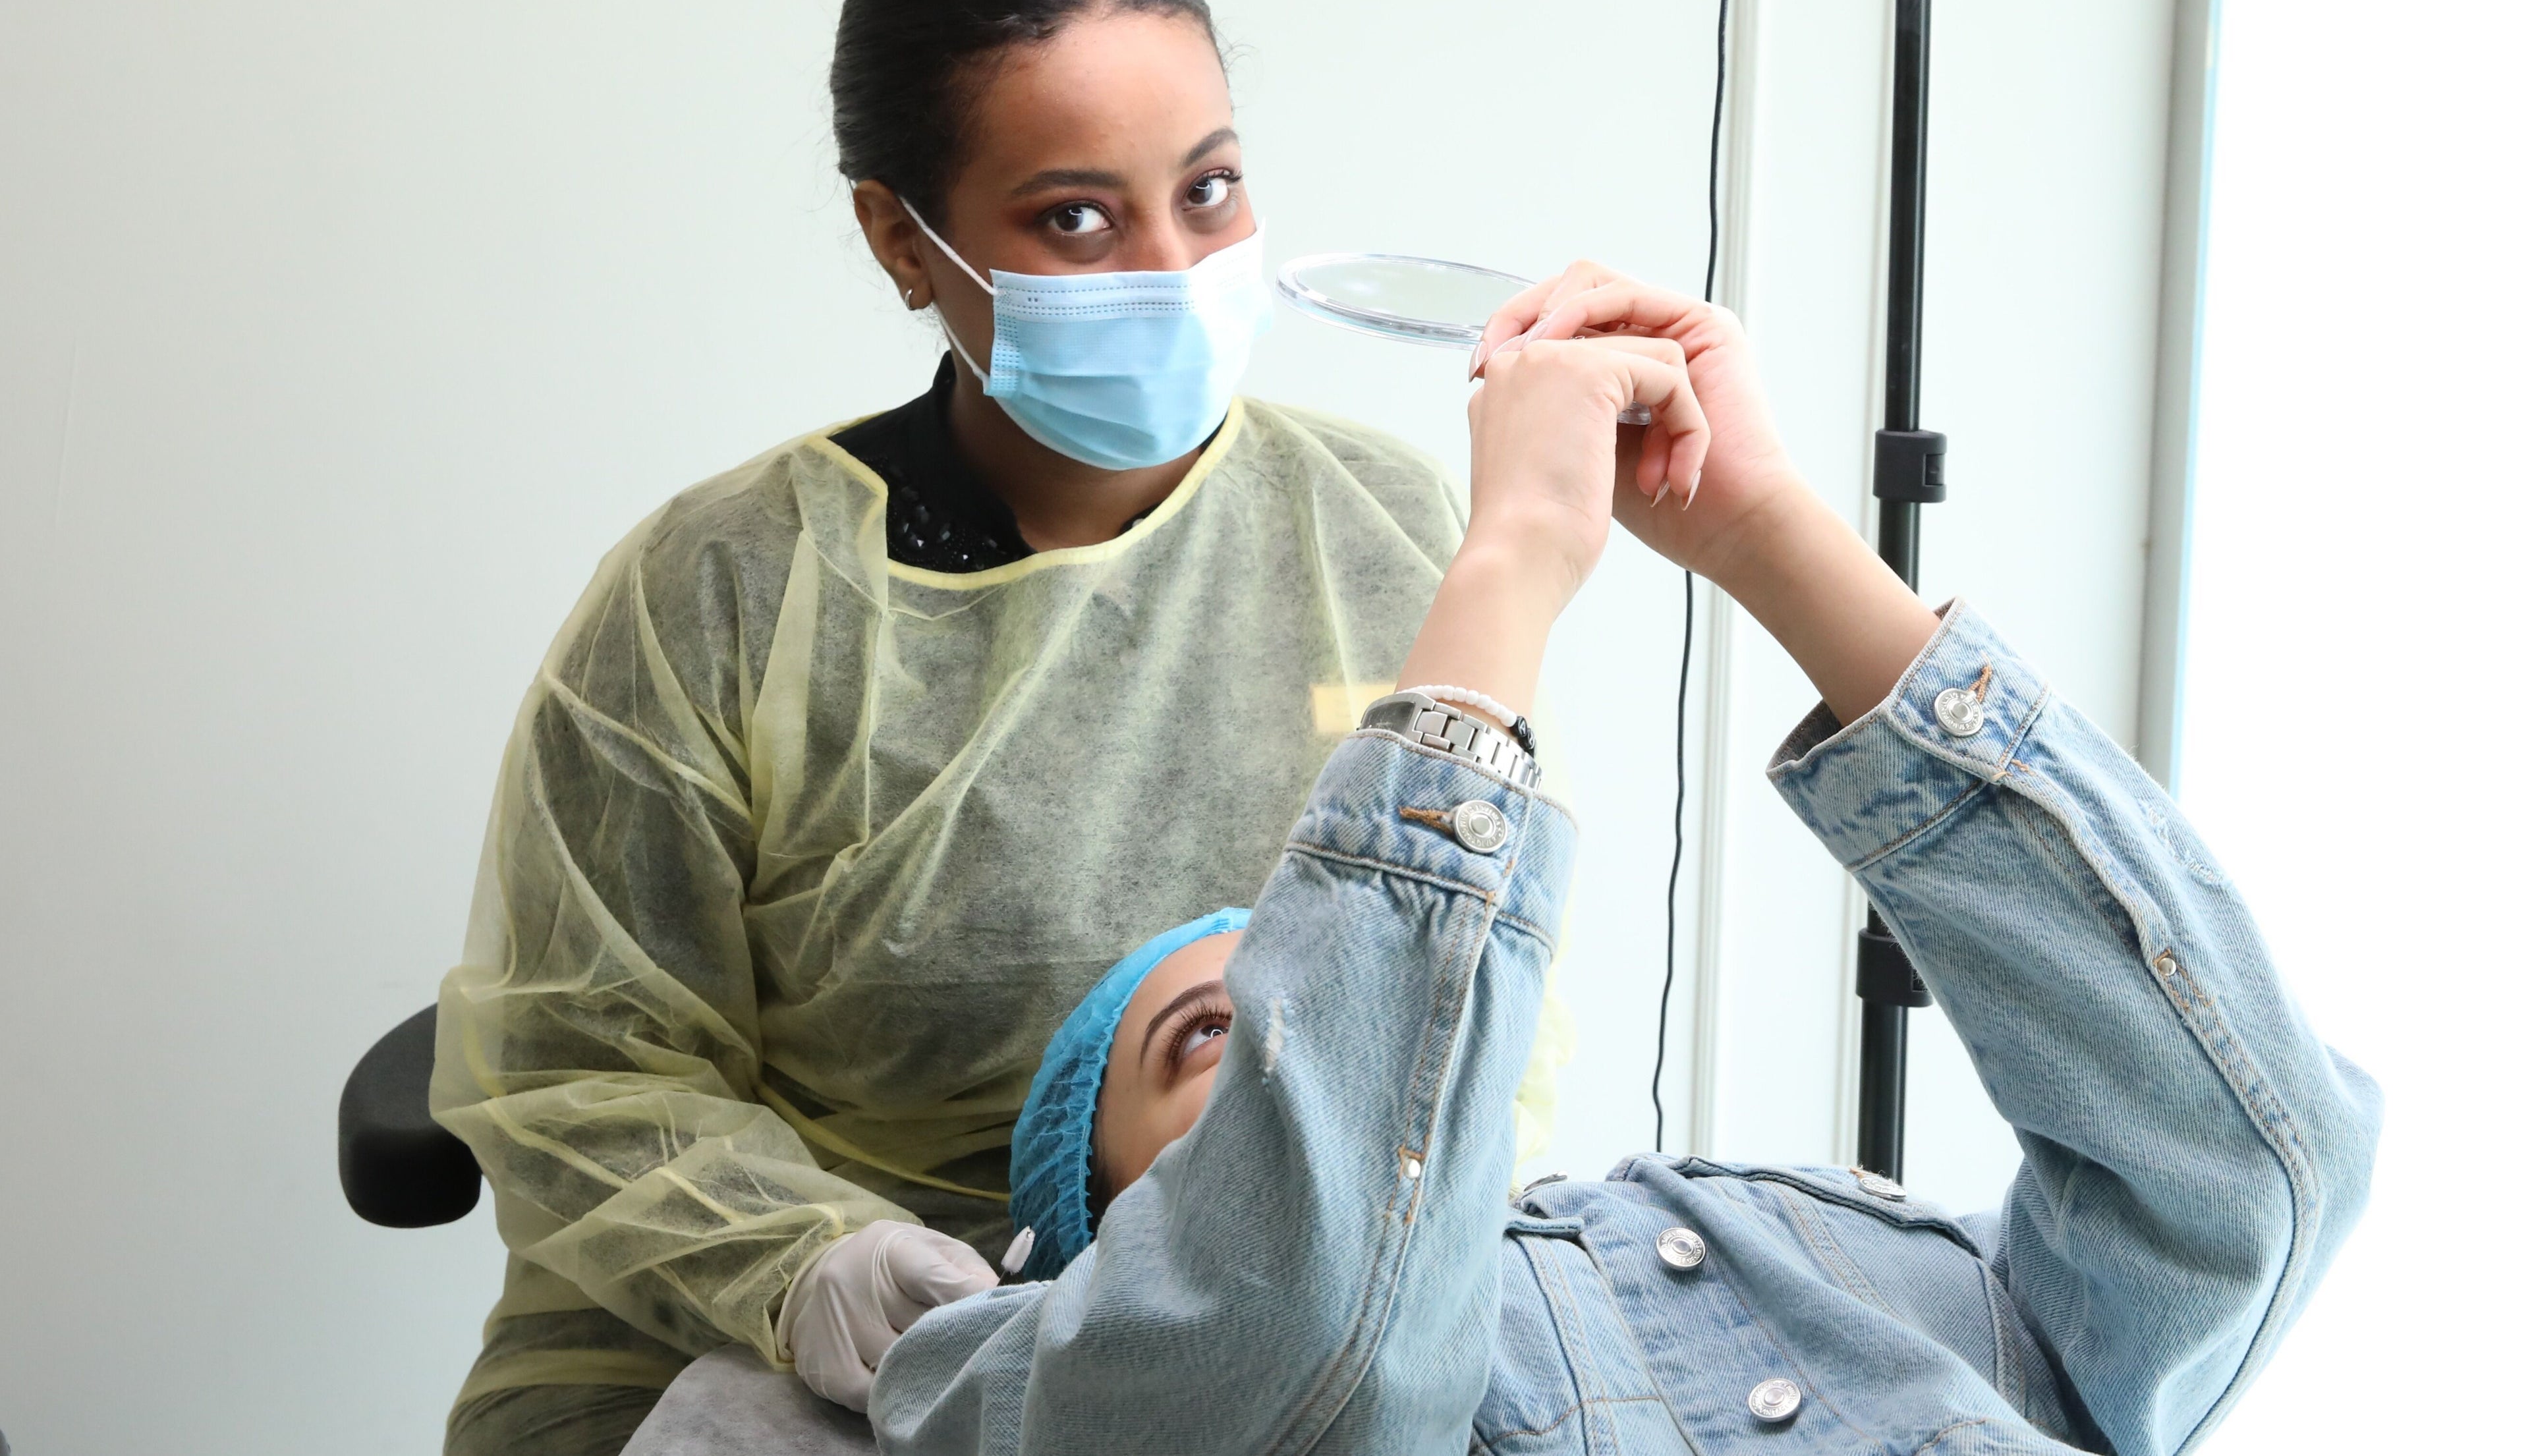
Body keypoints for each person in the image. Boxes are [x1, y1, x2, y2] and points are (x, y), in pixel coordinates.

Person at [860, 267, 2382, 1456]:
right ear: (1077, 1238)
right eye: (1226, 1037)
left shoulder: (1800, 1244)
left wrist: (1771, 533)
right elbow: (1306, 1319)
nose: (1331, 1022)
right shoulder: (1015, 1374)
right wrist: (1511, 553)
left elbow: (2248, 1170)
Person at [429, 0, 1566, 1456]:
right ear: (906, 238)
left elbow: (1467, 995)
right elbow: (577, 1068)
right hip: (769, 1351)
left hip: (1242, 1343)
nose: (1173, 266)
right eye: (1078, 219)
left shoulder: (1386, 531)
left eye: (1209, 190)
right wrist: (805, 1265)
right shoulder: (723, 595)